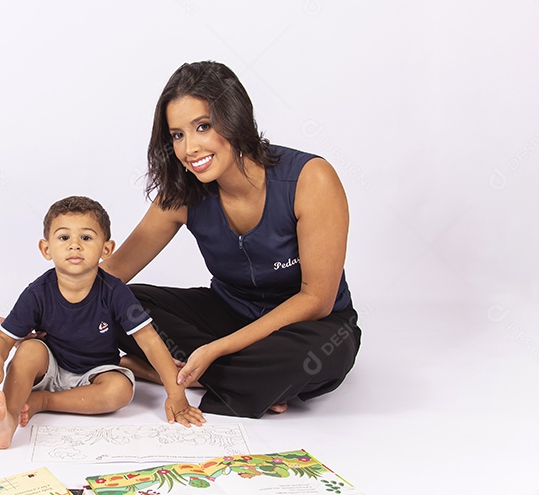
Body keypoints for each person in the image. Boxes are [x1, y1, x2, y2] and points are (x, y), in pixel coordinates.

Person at [103, 61, 362, 419]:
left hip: (306, 328)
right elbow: (113, 271)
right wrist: (41, 312)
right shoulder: (182, 193)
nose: (189, 148)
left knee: (317, 356)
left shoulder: (311, 179)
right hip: (230, 312)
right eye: (177, 135)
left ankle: (181, 372)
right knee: (116, 302)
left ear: (235, 118)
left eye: (203, 127)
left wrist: (217, 349)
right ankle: (244, 382)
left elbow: (317, 300)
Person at [0, 196, 205, 449]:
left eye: (86, 237)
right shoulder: (37, 292)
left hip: (97, 372)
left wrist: (176, 395)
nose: (75, 245)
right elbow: (4, 338)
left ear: (106, 249)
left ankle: (43, 401)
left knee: (120, 390)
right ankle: (7, 418)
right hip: (51, 367)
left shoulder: (114, 291)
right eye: (64, 237)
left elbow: (149, 341)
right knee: (29, 349)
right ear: (46, 249)